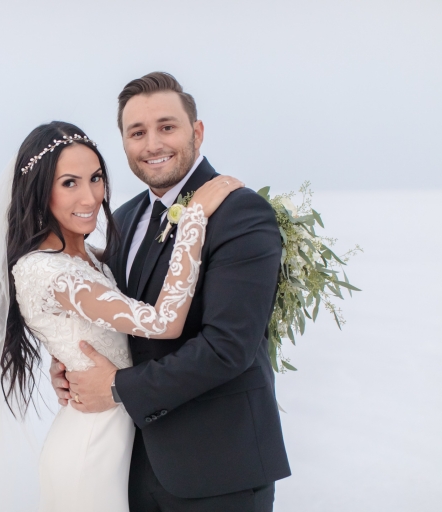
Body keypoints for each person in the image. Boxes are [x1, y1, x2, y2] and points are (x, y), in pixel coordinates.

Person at [49, 72, 291, 511]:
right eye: (137, 132)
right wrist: (72, 362)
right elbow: (115, 316)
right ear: (123, 144)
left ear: (196, 132)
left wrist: (118, 387)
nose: (152, 144)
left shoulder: (241, 214)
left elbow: (227, 347)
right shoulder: (124, 217)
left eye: (167, 126)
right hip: (133, 465)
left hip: (220, 468)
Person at [2, 120, 242, 512]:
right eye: (69, 183)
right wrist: (194, 219)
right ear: (39, 191)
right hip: (90, 445)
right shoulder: (48, 270)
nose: (91, 196)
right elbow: (165, 322)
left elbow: (80, 327)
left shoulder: (85, 258)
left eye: (95, 178)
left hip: (122, 443)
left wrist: (64, 359)